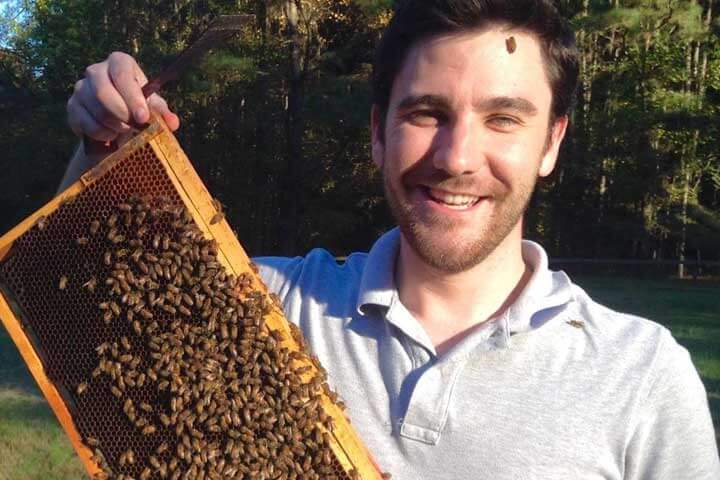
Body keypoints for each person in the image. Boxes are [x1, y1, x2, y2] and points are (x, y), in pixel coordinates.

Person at [63, 0, 720, 478]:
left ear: (551, 142)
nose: (458, 156)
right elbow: (82, 290)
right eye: (426, 113)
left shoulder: (641, 381)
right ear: (378, 131)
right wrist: (104, 149)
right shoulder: (269, 307)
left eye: (503, 119)